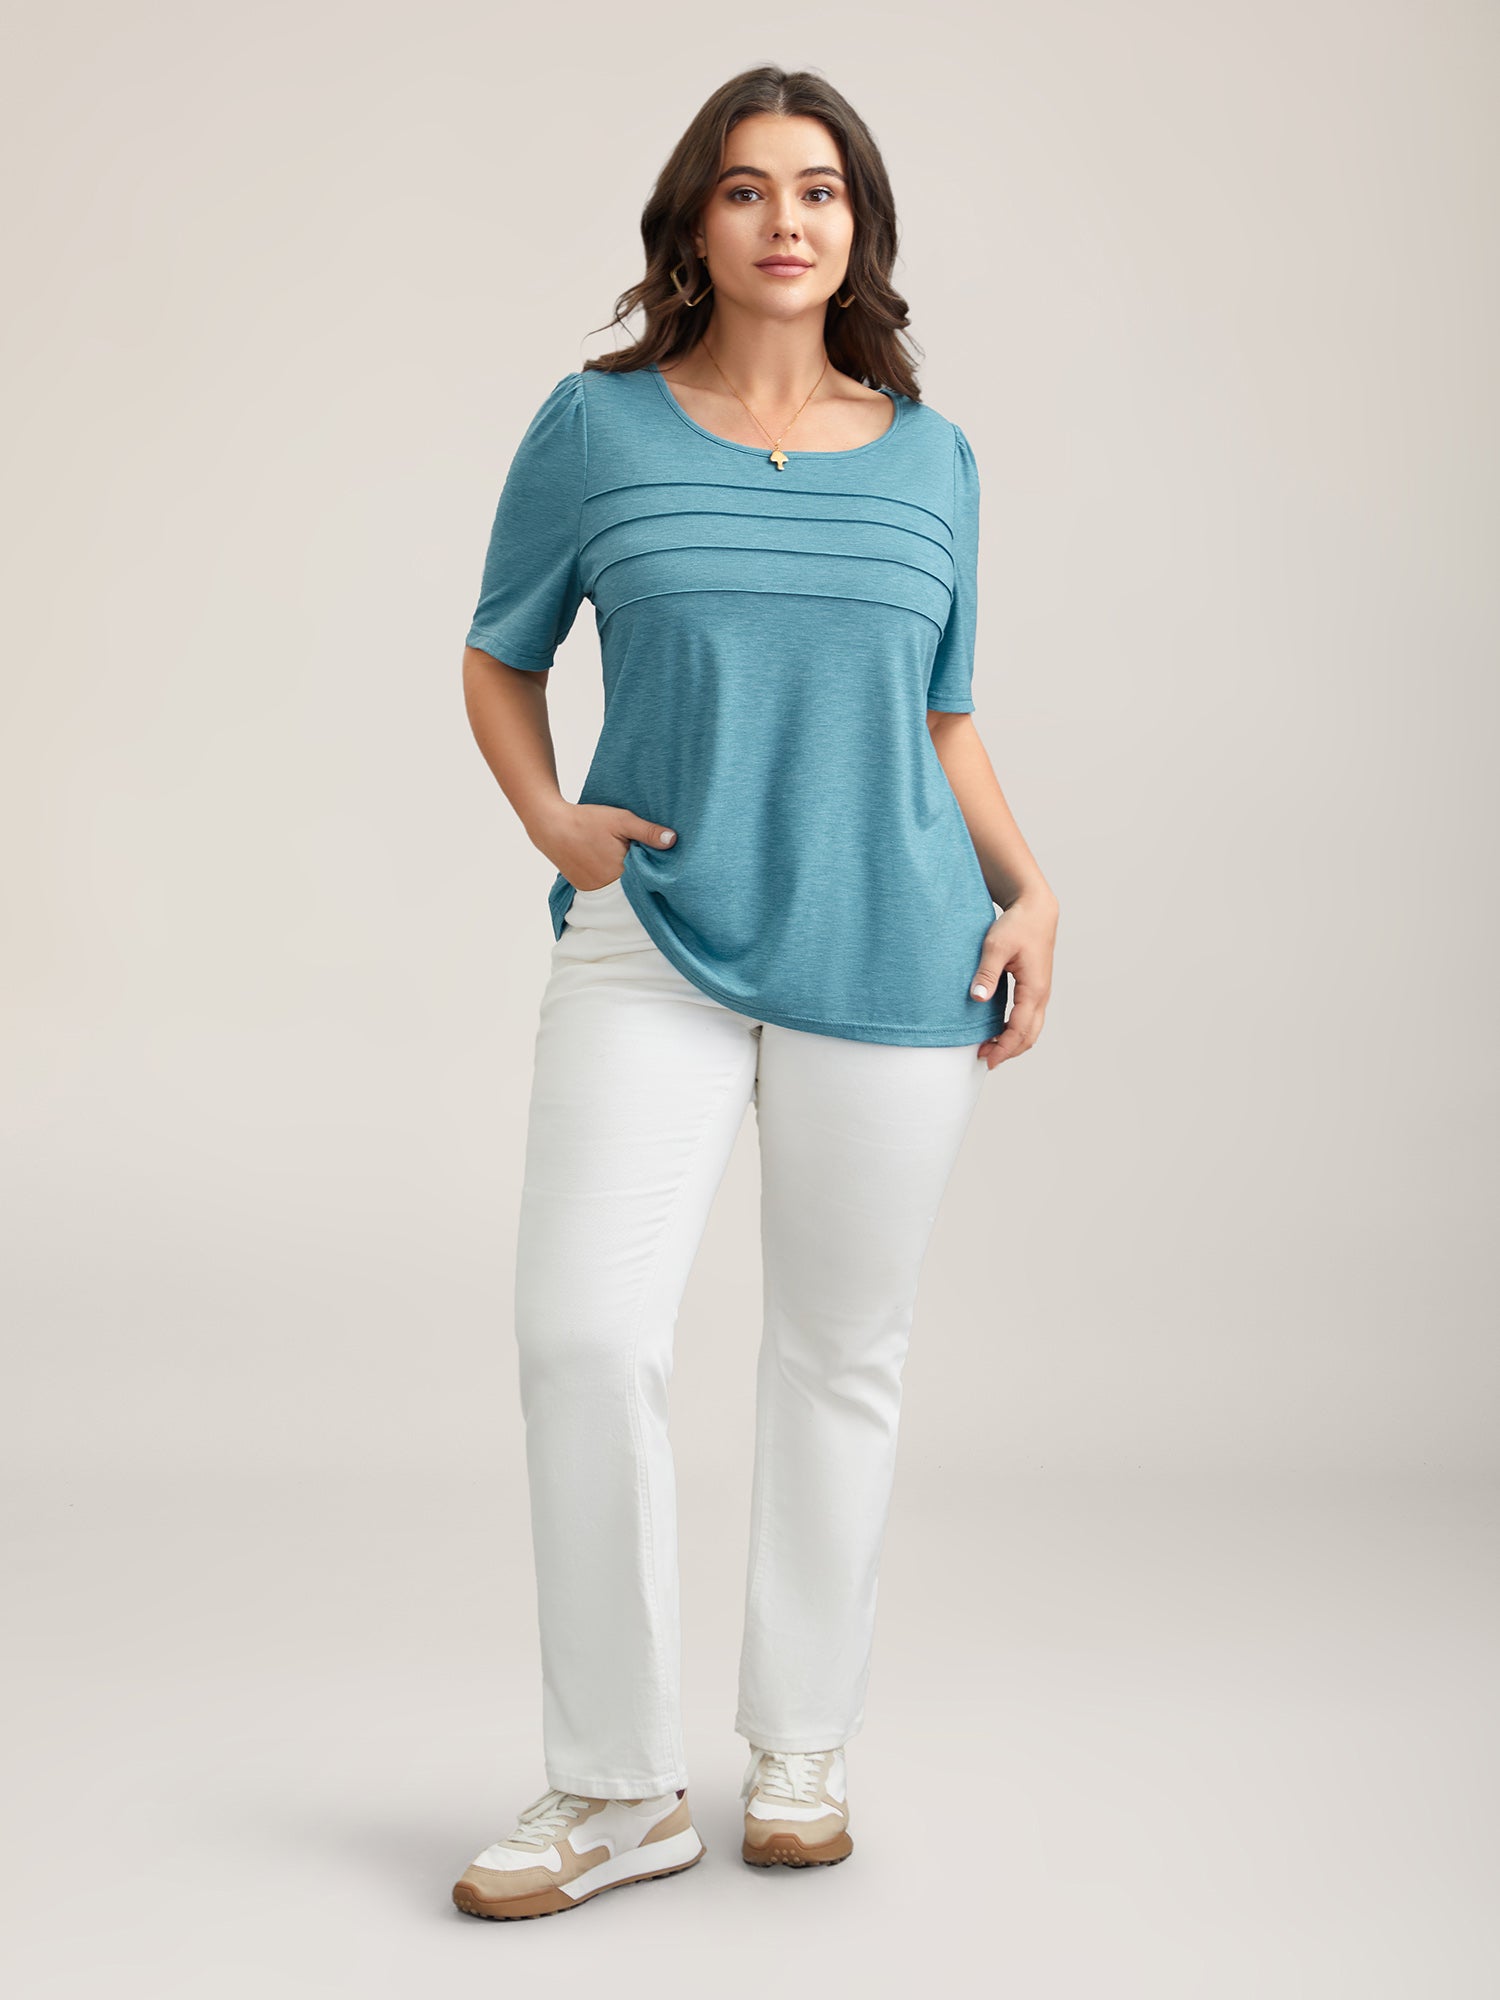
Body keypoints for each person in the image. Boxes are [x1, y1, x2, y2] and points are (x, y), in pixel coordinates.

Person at [451, 66, 1059, 1921]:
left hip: (894, 947)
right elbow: (498, 654)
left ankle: (801, 1750)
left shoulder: (936, 457)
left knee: (838, 1357)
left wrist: (1031, 884)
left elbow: (941, 717)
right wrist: (554, 820)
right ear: (693, 225)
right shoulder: (597, 427)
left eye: (819, 188)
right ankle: (615, 1787)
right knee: (584, 1336)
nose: (785, 218)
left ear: (857, 226)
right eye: (744, 188)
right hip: (654, 937)